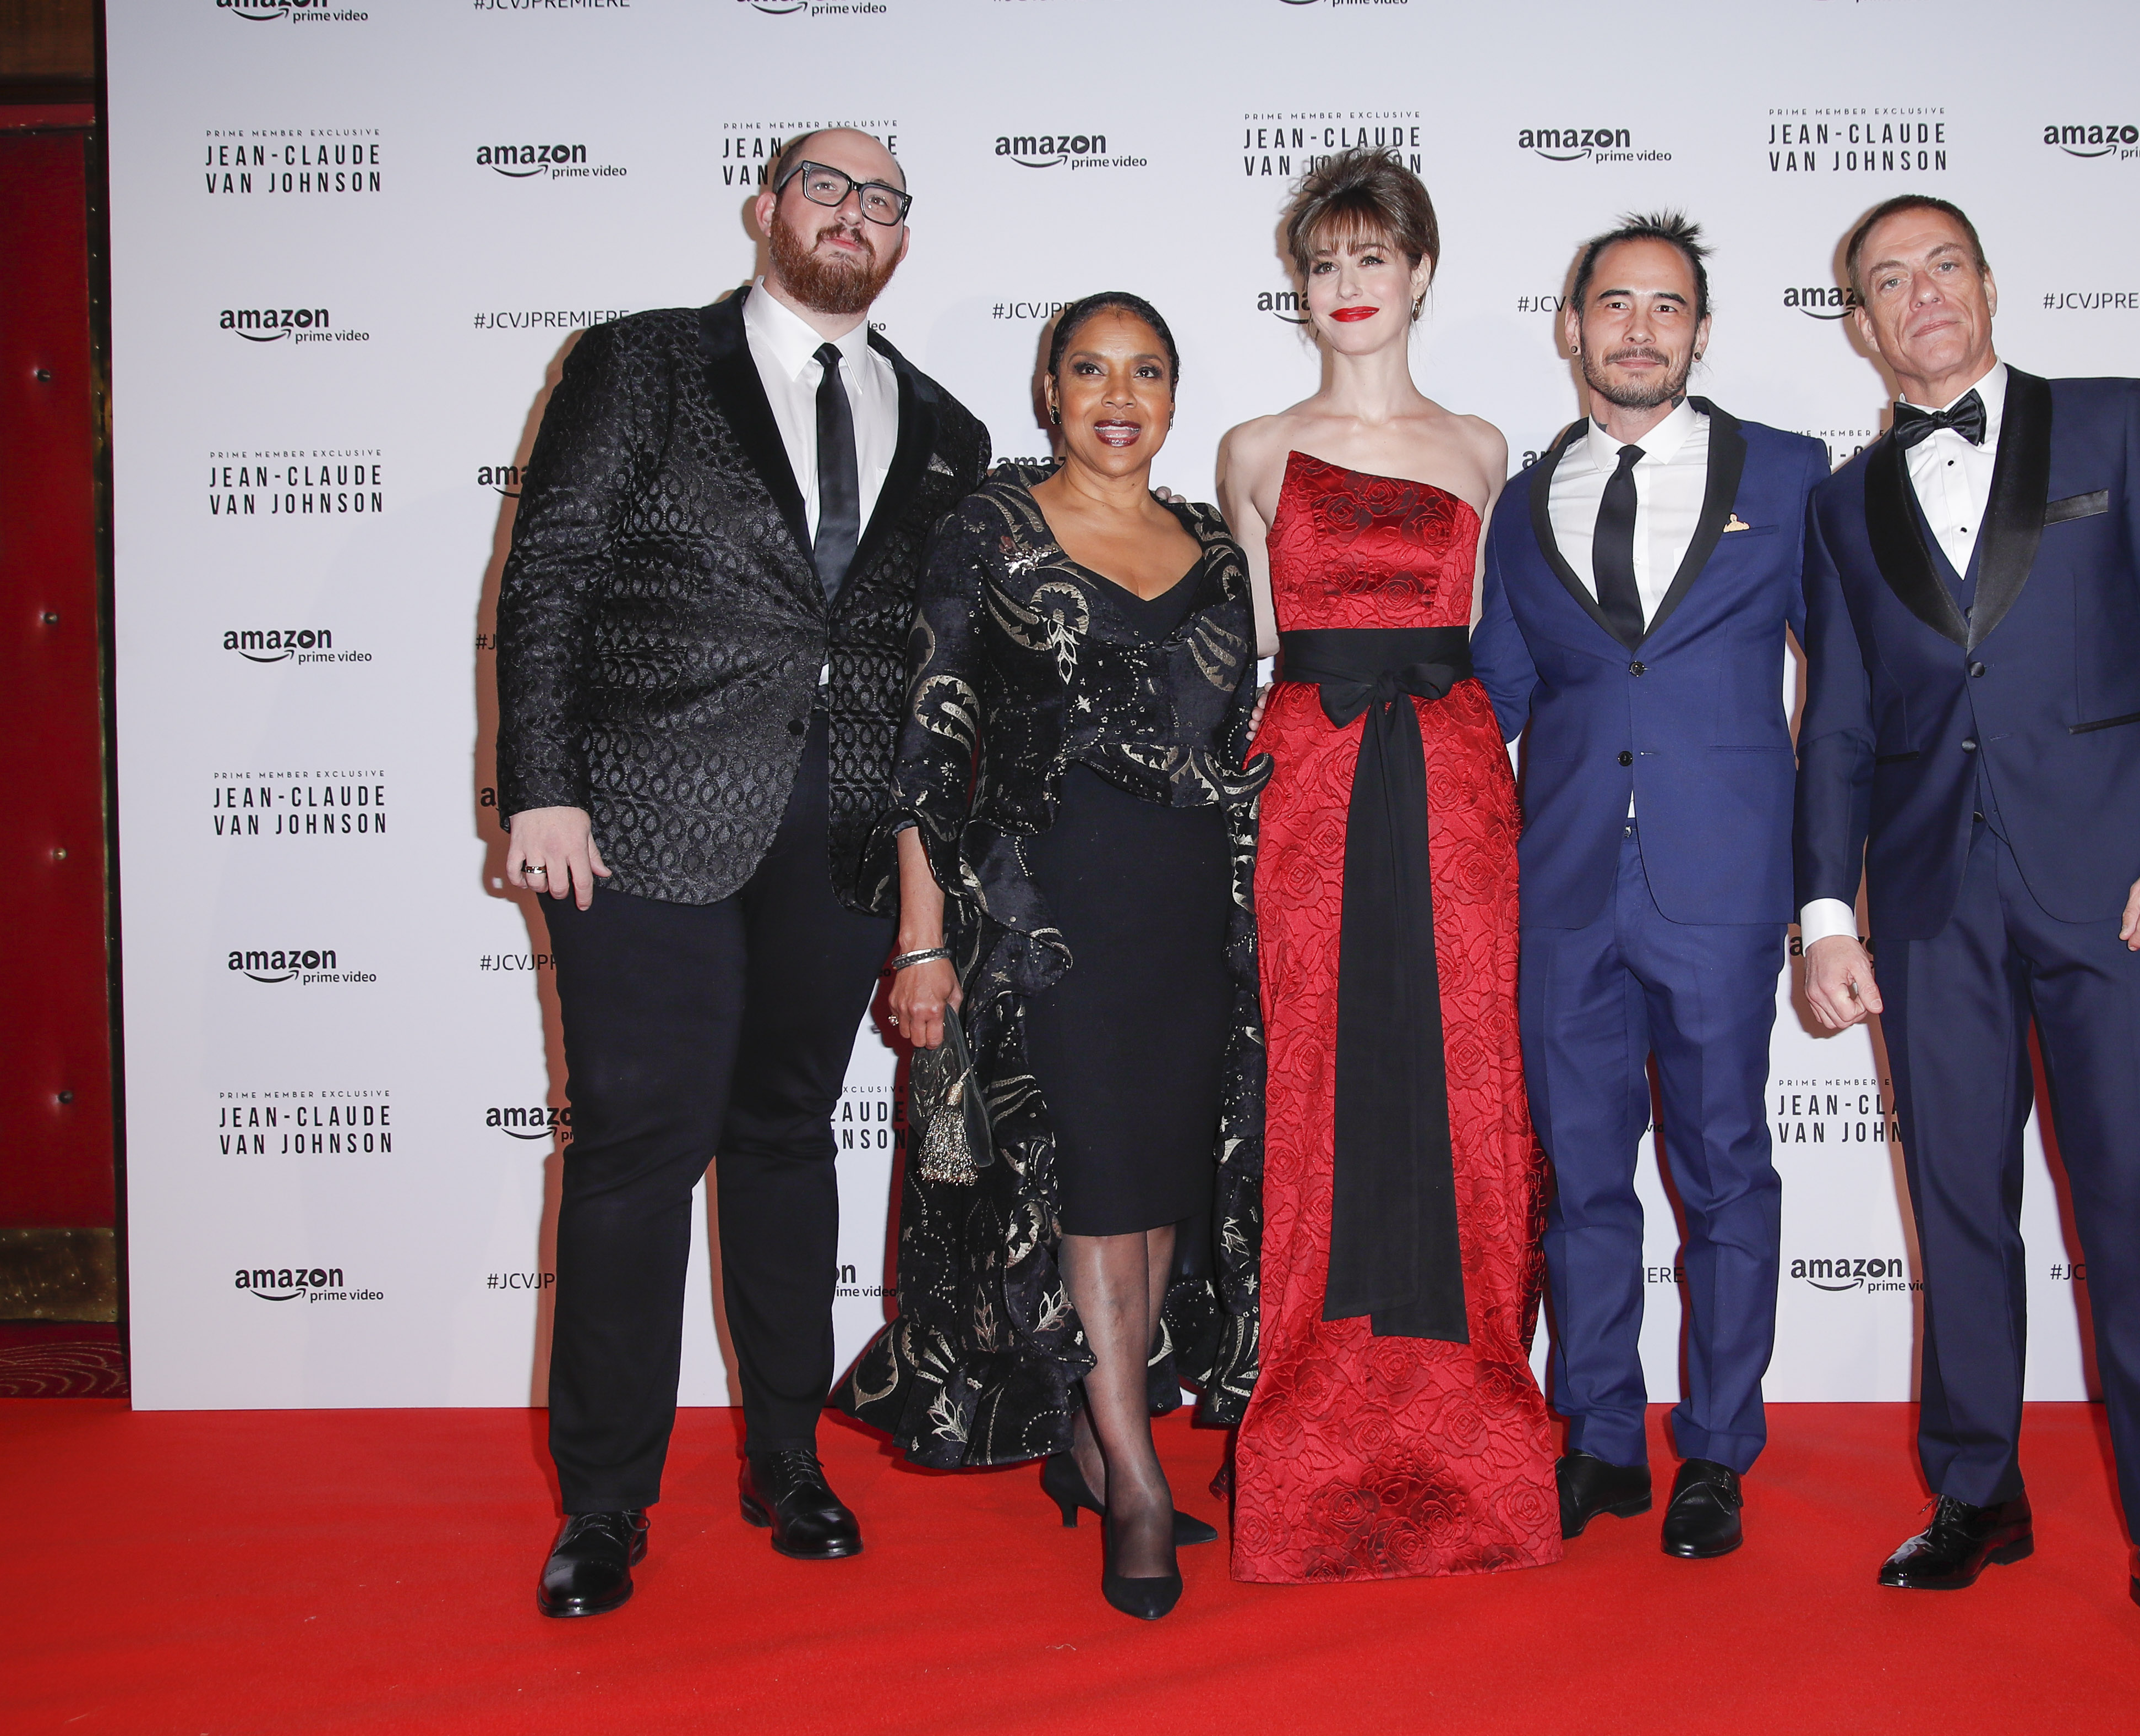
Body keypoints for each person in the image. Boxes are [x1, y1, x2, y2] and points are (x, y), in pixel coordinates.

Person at [495, 128, 987, 1619]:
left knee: (783, 1136)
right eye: (826, 188)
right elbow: (550, 574)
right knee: (637, 1150)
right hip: (636, 818)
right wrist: (540, 786)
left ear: (903, 236)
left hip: (833, 830)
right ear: (767, 206)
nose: (853, 214)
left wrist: (923, 899)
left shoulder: (951, 429)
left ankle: (786, 1457)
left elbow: (925, 672)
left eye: (882, 199)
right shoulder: (642, 363)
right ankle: (603, 1505)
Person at [1794, 194, 2140, 1662]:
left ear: (1988, 288)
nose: (1919, 294)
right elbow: (1839, 731)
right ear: (1858, 325)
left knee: (2136, 1222)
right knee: (1959, 1216)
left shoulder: (2116, 423)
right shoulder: (1837, 503)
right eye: (1886, 280)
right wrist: (1822, 910)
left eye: (1943, 266)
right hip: (1930, 907)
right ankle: (1978, 1489)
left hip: (2118, 894)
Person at [833, 293, 1266, 1622]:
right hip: (1043, 914)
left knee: (1148, 1193)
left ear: (1175, 398)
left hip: (1188, 910)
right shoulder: (993, 529)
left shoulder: (1212, 542)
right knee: (1076, 1188)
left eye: (1146, 370)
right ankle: (1134, 1474)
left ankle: (1096, 1436)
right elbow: (929, 733)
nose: (1117, 394)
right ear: (1047, 389)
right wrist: (921, 940)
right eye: (1090, 368)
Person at [1216, 148, 1560, 1585]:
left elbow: (1493, 642)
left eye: (1373, 259)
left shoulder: (1483, 446)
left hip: (1455, 789)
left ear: (1421, 273)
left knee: (1464, 1078)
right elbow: (1248, 658)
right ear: (1297, 285)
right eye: (1323, 263)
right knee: (1319, 1079)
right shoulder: (1247, 447)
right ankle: (1315, 1424)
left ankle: (1465, 1420)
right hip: (1309, 780)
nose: (1347, 288)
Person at [1471, 214, 1829, 1559]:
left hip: (1723, 885)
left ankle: (1718, 1451)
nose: (1637, 328)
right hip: (1556, 890)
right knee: (1580, 1181)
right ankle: (1602, 1434)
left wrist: (1826, 886)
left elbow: (1838, 687)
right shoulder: (1520, 499)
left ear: (1698, 328)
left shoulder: (1787, 475)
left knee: (1722, 1167)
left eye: (1665, 306)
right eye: (1611, 304)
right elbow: (1495, 696)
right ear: (1569, 327)